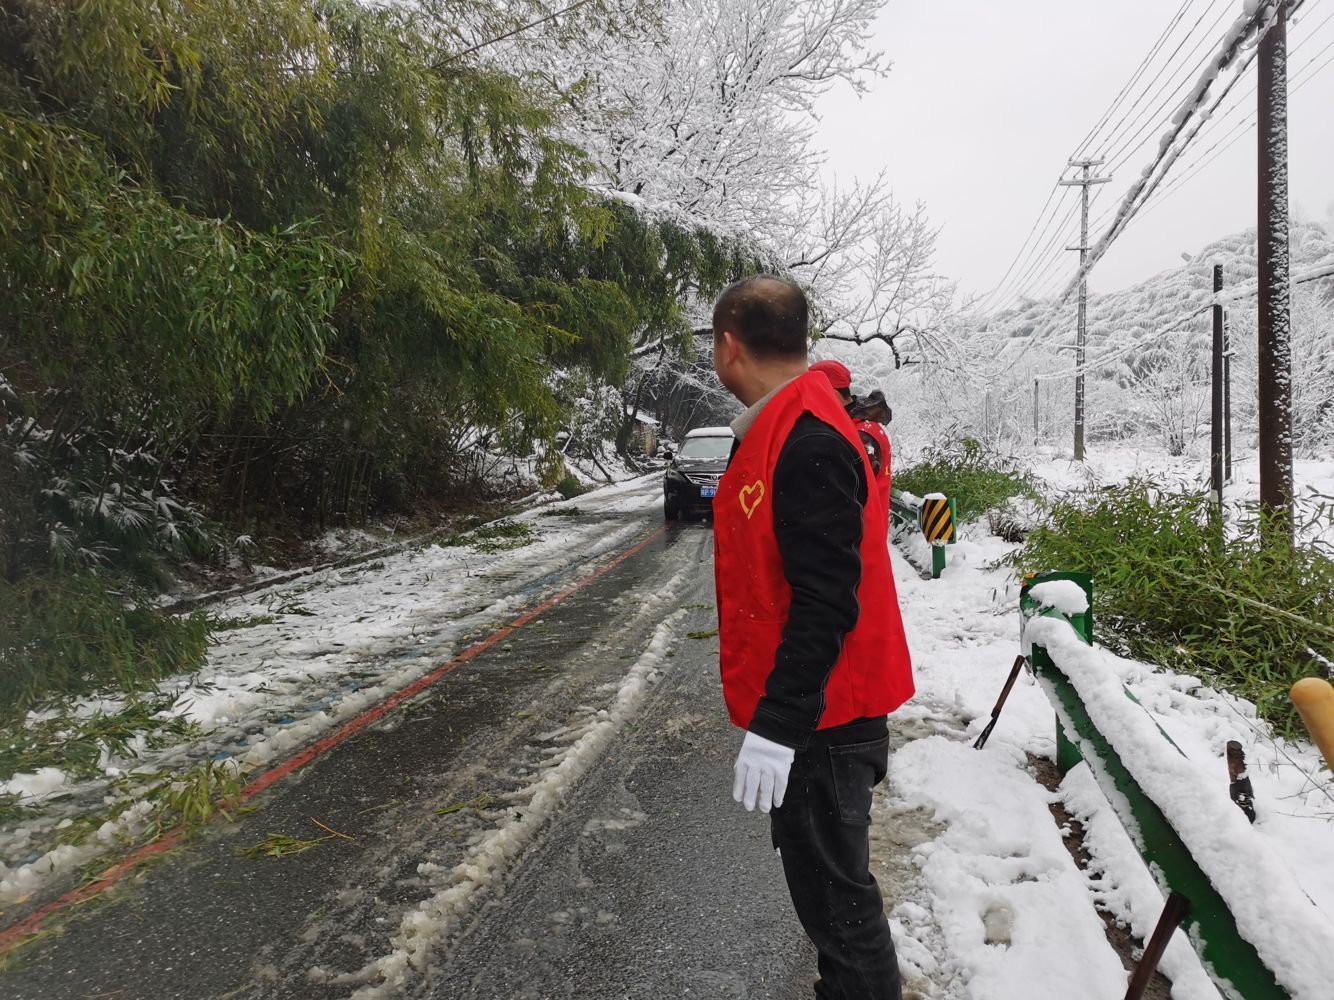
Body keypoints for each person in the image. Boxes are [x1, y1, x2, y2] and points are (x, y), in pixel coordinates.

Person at [710, 276, 914, 1000]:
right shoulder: (793, 423)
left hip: (826, 722)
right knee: (834, 907)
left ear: (728, 347)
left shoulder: (807, 439)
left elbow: (827, 598)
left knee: (841, 914)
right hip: (824, 715)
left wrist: (779, 723)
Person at [810, 361, 893, 520]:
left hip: (862, 529)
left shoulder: (862, 434)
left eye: (815, 394)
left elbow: (845, 491)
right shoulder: (859, 426)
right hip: (862, 527)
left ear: (832, 394)